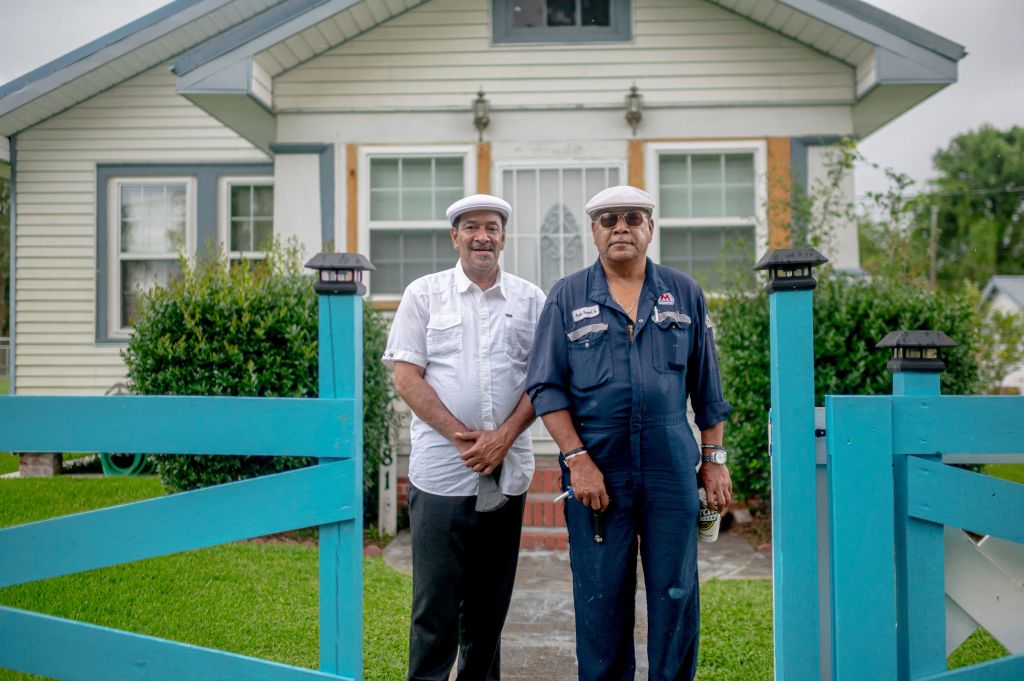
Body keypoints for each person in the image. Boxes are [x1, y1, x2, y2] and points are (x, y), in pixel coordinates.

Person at [525, 185, 733, 681]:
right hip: (598, 467)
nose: (621, 227)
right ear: (594, 231)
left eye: (633, 218)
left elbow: (708, 387)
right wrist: (577, 460)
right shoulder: (567, 295)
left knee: (675, 591)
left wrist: (714, 460)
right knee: (601, 595)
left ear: (649, 228)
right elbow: (545, 387)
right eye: (609, 219)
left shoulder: (683, 293)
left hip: (669, 465)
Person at [382, 194, 546, 681]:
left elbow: (543, 379)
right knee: (434, 609)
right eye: (471, 227)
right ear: (455, 236)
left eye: (492, 227)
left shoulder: (530, 300)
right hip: (441, 474)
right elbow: (407, 377)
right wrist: (463, 438)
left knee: (488, 612)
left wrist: (503, 437)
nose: (482, 236)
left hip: (508, 472)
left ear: (503, 236)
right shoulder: (424, 294)